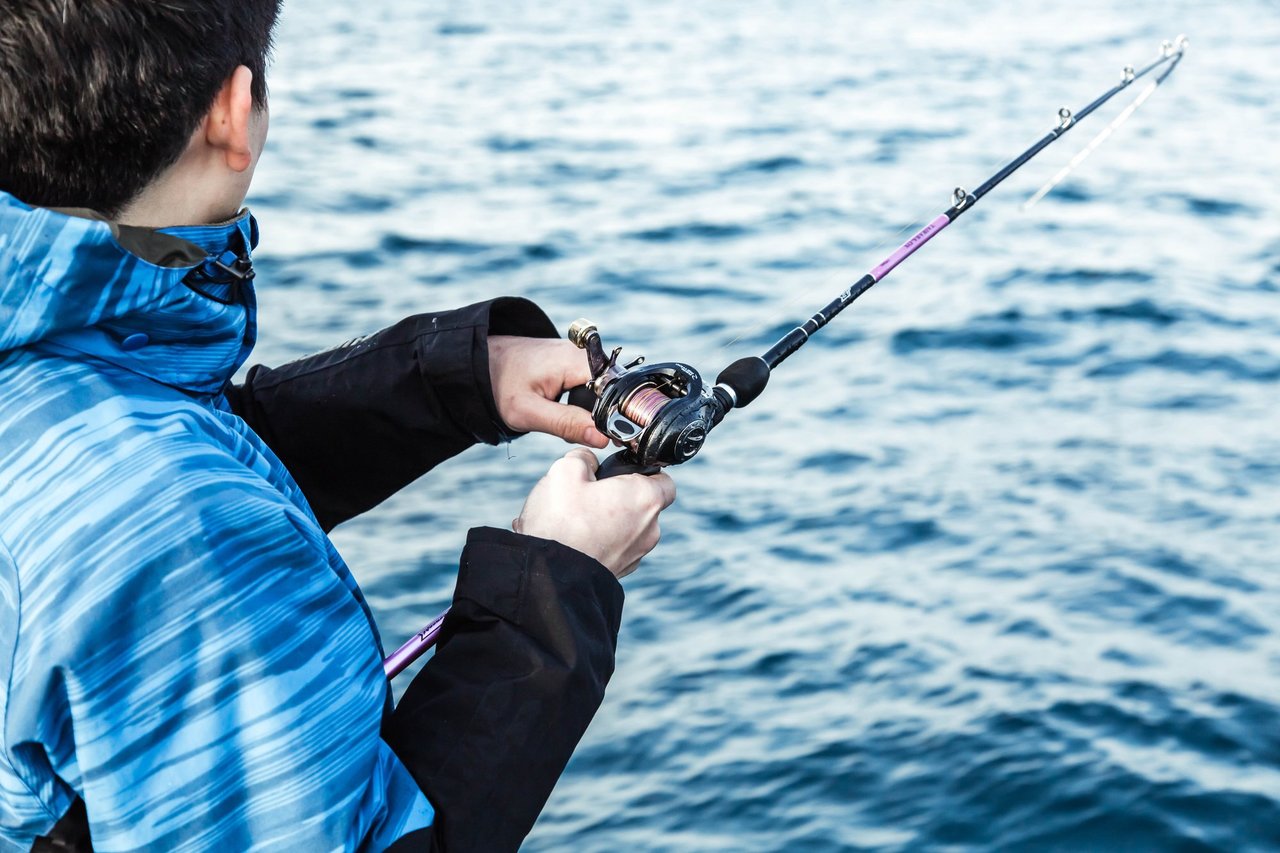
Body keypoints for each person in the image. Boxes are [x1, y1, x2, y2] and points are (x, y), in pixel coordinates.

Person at [0, 2, 675, 850]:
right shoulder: (175, 527)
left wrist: (460, 378)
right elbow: (174, 505)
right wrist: (558, 582)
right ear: (233, 112)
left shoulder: (52, 368)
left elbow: (195, 443)